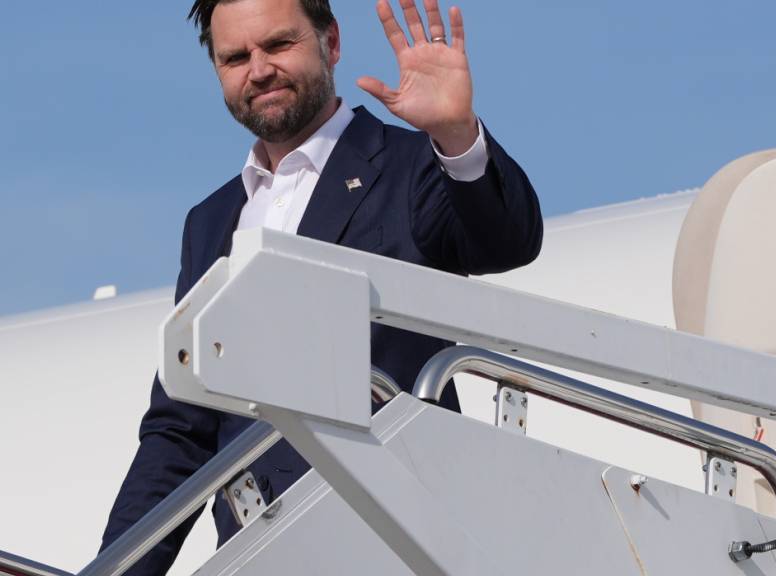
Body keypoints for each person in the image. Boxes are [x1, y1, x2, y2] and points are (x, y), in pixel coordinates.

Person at [99, 0, 543, 572]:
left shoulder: (412, 166)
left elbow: (507, 241)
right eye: (236, 57)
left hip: (401, 543)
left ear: (330, 43)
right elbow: (181, 428)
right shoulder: (209, 223)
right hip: (259, 554)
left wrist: (456, 134)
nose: (258, 70)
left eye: (279, 45)